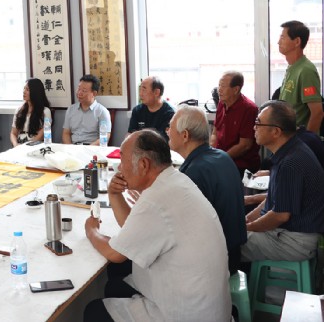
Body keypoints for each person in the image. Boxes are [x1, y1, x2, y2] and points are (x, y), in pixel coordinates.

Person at [83, 130, 231, 322]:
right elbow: (133, 231)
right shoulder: (176, 180)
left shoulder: (156, 200)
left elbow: (115, 254)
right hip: (206, 305)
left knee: (94, 311)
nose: (120, 168)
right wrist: (114, 194)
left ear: (144, 164)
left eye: (123, 161)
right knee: (114, 284)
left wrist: (91, 230)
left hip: (186, 313)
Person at [168, 105, 247, 275]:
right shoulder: (222, 156)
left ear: (185, 135)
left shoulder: (195, 172)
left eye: (170, 128)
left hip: (214, 265)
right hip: (233, 253)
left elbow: (181, 228)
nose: (167, 132)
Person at [241, 101, 324, 262]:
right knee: (233, 235)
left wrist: (248, 228)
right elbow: (274, 201)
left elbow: (280, 215)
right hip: (289, 233)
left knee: (226, 243)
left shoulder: (290, 163)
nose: (254, 127)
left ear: (276, 132)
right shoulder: (290, 150)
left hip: (293, 241)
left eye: (258, 123)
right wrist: (248, 219)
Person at [209, 71, 260, 173]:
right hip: (220, 158)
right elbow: (215, 133)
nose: (219, 89)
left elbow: (245, 145)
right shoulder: (222, 103)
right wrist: (211, 152)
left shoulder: (249, 109)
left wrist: (220, 159)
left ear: (236, 89)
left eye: (223, 86)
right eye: (219, 85)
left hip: (240, 164)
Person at [277, 20, 323, 133]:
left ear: (297, 41)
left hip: (298, 140)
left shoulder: (306, 70)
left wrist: (307, 140)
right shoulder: (292, 67)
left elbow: (317, 113)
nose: (278, 42)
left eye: (283, 38)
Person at [62, 74, 111, 145]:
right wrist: (70, 148)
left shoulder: (102, 111)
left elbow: (105, 136)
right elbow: (66, 133)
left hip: (91, 147)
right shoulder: (71, 109)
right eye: (79, 89)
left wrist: (88, 148)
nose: (79, 93)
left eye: (84, 91)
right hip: (73, 147)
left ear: (94, 93)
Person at [127, 76, 174, 141]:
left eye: (144, 90)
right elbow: (130, 135)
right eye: (140, 89)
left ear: (156, 92)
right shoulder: (137, 110)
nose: (140, 94)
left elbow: (163, 141)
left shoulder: (169, 114)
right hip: (139, 146)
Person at [10, 78, 51, 146]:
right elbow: (13, 133)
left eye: (27, 89)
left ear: (35, 92)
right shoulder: (19, 110)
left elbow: (44, 134)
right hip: (19, 145)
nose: (24, 92)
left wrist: (27, 147)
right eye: (24, 88)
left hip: (36, 145)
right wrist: (15, 144)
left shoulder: (46, 111)